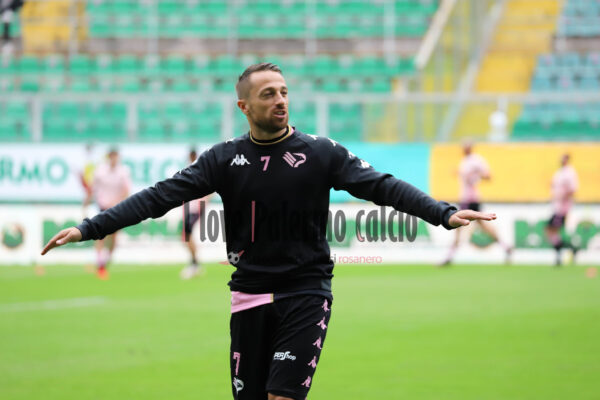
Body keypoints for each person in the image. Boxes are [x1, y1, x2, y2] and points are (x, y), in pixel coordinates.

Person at [42, 63, 497, 400]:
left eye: (283, 92)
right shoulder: (223, 159)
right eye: (267, 94)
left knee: (283, 397)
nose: (280, 100)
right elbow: (158, 197)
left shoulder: (321, 152)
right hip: (249, 295)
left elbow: (382, 186)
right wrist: (88, 228)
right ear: (244, 106)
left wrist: (442, 213)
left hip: (306, 292)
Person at [441, 142, 511, 265]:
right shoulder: (464, 161)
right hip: (465, 198)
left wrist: (475, 177)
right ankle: (505, 246)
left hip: (470, 199)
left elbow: (488, 175)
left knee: (456, 224)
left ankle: (449, 256)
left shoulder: (476, 160)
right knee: (481, 225)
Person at [90, 147, 131, 279]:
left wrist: (117, 201)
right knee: (100, 236)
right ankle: (100, 265)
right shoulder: (100, 171)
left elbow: (126, 191)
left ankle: (104, 263)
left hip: (116, 208)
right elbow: (93, 188)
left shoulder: (123, 171)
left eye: (116, 157)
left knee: (113, 238)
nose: (114, 159)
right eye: (112, 156)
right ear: (109, 157)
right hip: (103, 207)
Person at [180, 148, 211, 280]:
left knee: (186, 234)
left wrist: (204, 202)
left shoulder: (201, 169)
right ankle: (195, 262)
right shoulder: (188, 169)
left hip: (197, 207)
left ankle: (195, 263)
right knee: (185, 236)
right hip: (189, 208)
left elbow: (211, 188)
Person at [545, 153, 579, 266]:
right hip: (556, 206)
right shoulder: (560, 172)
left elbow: (572, 190)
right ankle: (570, 249)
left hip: (562, 208)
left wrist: (562, 198)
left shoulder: (570, 173)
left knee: (552, 230)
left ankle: (561, 254)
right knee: (551, 231)